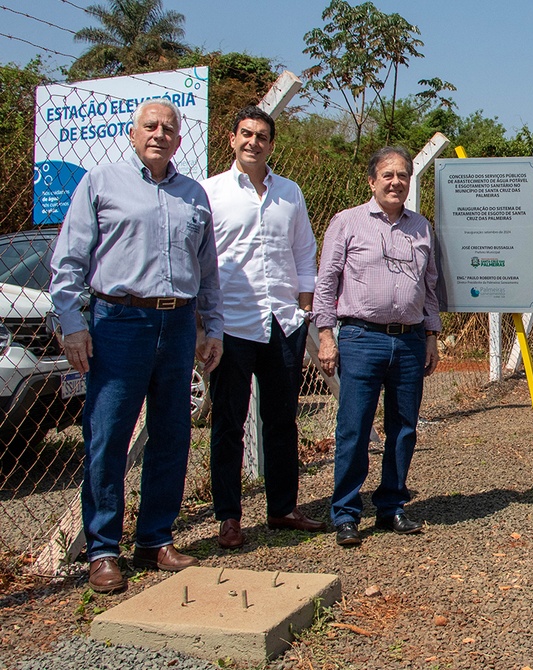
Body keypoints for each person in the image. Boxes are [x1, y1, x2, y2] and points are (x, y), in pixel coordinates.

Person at [50, 98, 223, 593]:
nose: (159, 134)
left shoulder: (193, 194)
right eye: (150, 126)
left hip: (178, 326)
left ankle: (154, 538)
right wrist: (73, 323)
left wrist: (210, 326)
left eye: (169, 128)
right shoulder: (100, 183)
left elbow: (207, 270)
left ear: (179, 137)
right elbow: (69, 260)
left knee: (172, 432)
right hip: (118, 322)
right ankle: (103, 548)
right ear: (133, 133)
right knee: (109, 434)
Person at [201, 106, 324, 549]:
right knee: (229, 424)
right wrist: (203, 319)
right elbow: (201, 257)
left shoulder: (289, 192)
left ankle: (283, 508)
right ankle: (229, 518)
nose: (254, 142)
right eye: (246, 134)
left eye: (263, 137)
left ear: (272, 145)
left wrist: (305, 305)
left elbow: (304, 249)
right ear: (232, 139)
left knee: (282, 420)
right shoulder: (210, 192)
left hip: (284, 323)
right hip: (231, 323)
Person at [314, 146, 441, 547]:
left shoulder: (421, 227)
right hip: (360, 338)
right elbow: (327, 280)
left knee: (403, 429)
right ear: (372, 181)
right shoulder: (347, 222)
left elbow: (430, 286)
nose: (395, 182)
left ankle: (391, 507)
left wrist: (432, 337)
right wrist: (325, 334)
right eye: (387, 175)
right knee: (354, 428)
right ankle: (347, 513)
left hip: (408, 341)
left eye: (402, 175)